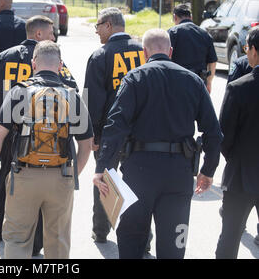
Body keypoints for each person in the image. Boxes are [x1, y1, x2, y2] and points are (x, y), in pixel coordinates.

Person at [94, 29, 223, 259]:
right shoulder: (193, 80)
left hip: (139, 172)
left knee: (131, 240)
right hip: (179, 174)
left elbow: (115, 127)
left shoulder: (134, 78)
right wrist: (207, 170)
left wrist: (103, 168)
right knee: (173, 246)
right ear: (171, 52)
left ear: (144, 53)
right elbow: (213, 131)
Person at [0, 41, 93, 259]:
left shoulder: (18, 92)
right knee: (58, 241)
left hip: (24, 175)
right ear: (60, 66)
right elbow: (86, 144)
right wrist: (72, 175)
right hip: (61, 176)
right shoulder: (72, 95)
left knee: (16, 238)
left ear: (33, 64)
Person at [84, 7, 145, 244]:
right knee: (139, 183)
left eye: (98, 26)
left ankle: (101, 230)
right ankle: (142, 236)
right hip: (141, 130)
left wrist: (92, 134)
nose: (97, 31)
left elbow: (92, 100)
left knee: (105, 179)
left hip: (109, 131)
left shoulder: (101, 55)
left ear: (108, 25)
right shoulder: (144, 50)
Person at [216, 26, 259, 258]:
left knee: (230, 237)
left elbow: (224, 137)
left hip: (242, 176)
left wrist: (235, 157)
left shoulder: (239, 88)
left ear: (252, 50)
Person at [168, 4, 218, 93]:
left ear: (175, 17)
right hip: (199, 83)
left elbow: (166, 58)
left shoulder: (172, 33)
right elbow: (212, 61)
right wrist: (209, 82)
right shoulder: (205, 34)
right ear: (191, 17)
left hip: (177, 83)